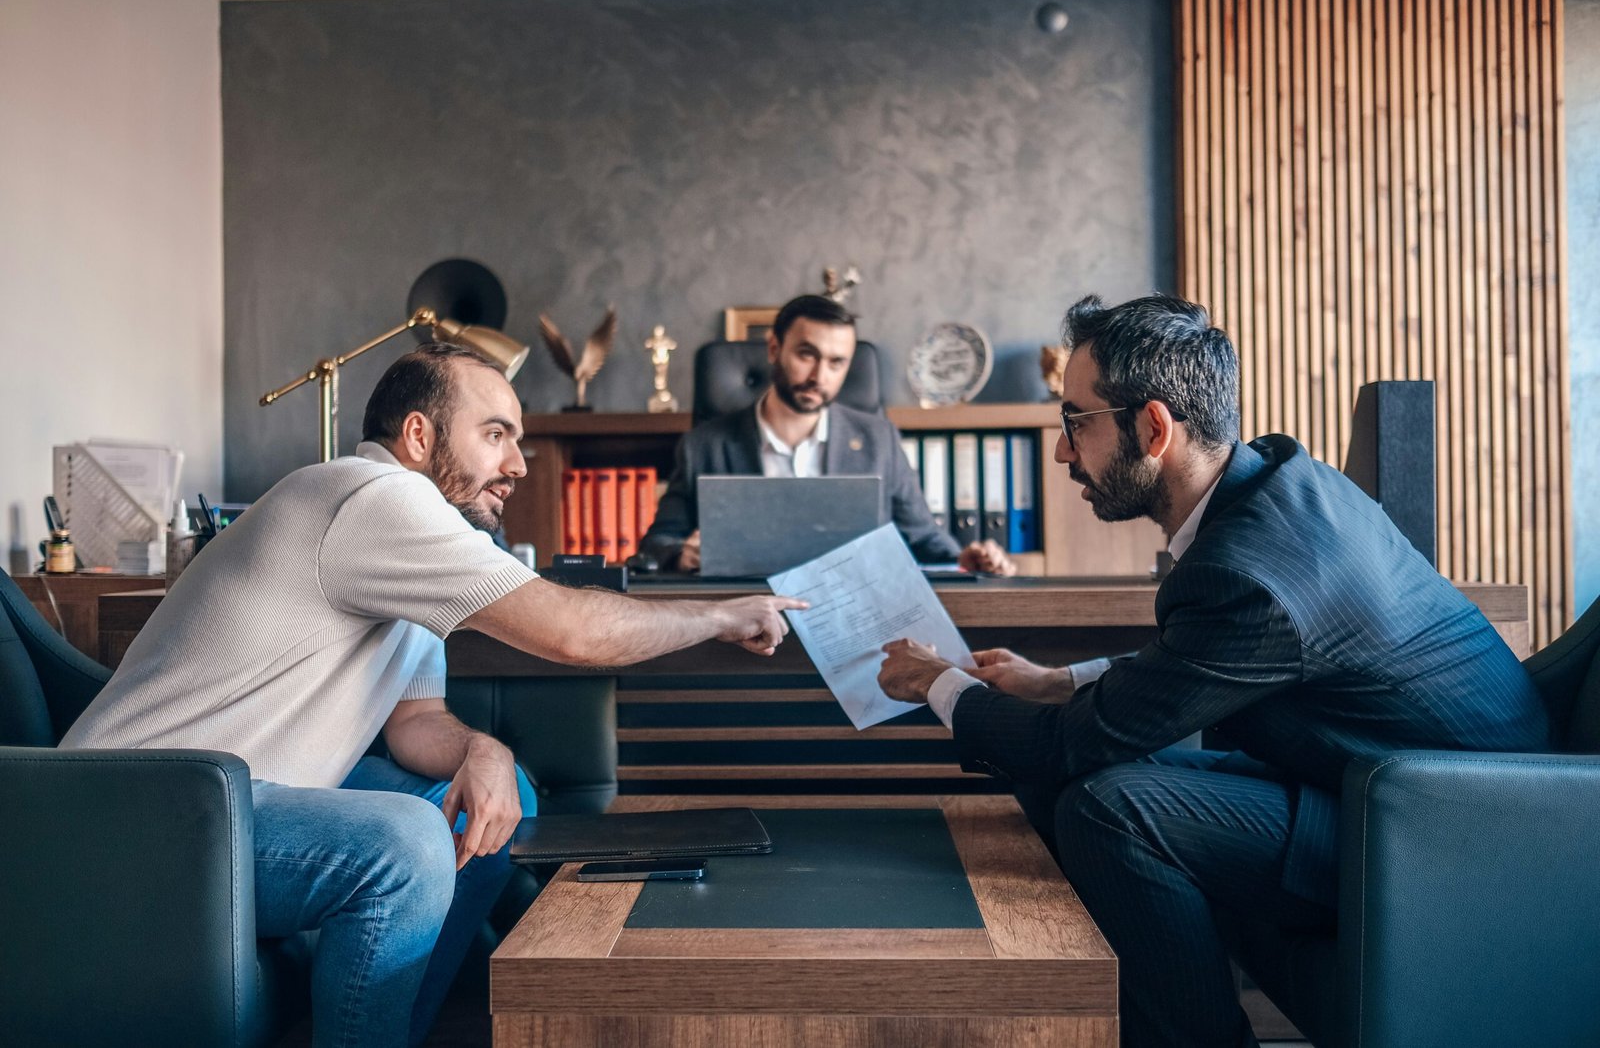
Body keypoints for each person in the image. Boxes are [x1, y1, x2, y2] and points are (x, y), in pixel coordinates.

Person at [60, 342, 804, 1048]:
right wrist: (721, 612)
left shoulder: (418, 538)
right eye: (495, 434)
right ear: (418, 434)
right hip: (135, 813)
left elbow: (416, 722)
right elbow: (575, 631)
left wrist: (481, 748)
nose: (517, 463)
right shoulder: (371, 498)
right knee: (407, 846)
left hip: (233, 796)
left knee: (493, 792)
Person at [875, 294, 1548, 1048]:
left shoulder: (1248, 573)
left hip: (1456, 839)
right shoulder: (1281, 479)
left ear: (1154, 427)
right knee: (1107, 771)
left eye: (1075, 421)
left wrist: (936, 681)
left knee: (1108, 802)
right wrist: (1058, 681)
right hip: (1405, 792)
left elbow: (1075, 742)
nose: (1063, 451)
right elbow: (1204, 668)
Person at [638, 293, 1015, 575]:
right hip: (746, 615)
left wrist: (964, 559)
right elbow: (655, 545)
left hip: (854, 613)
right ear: (774, 348)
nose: (820, 376)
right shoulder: (704, 445)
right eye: (807, 355)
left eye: (836, 362)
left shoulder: (878, 440)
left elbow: (924, 539)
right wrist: (679, 554)